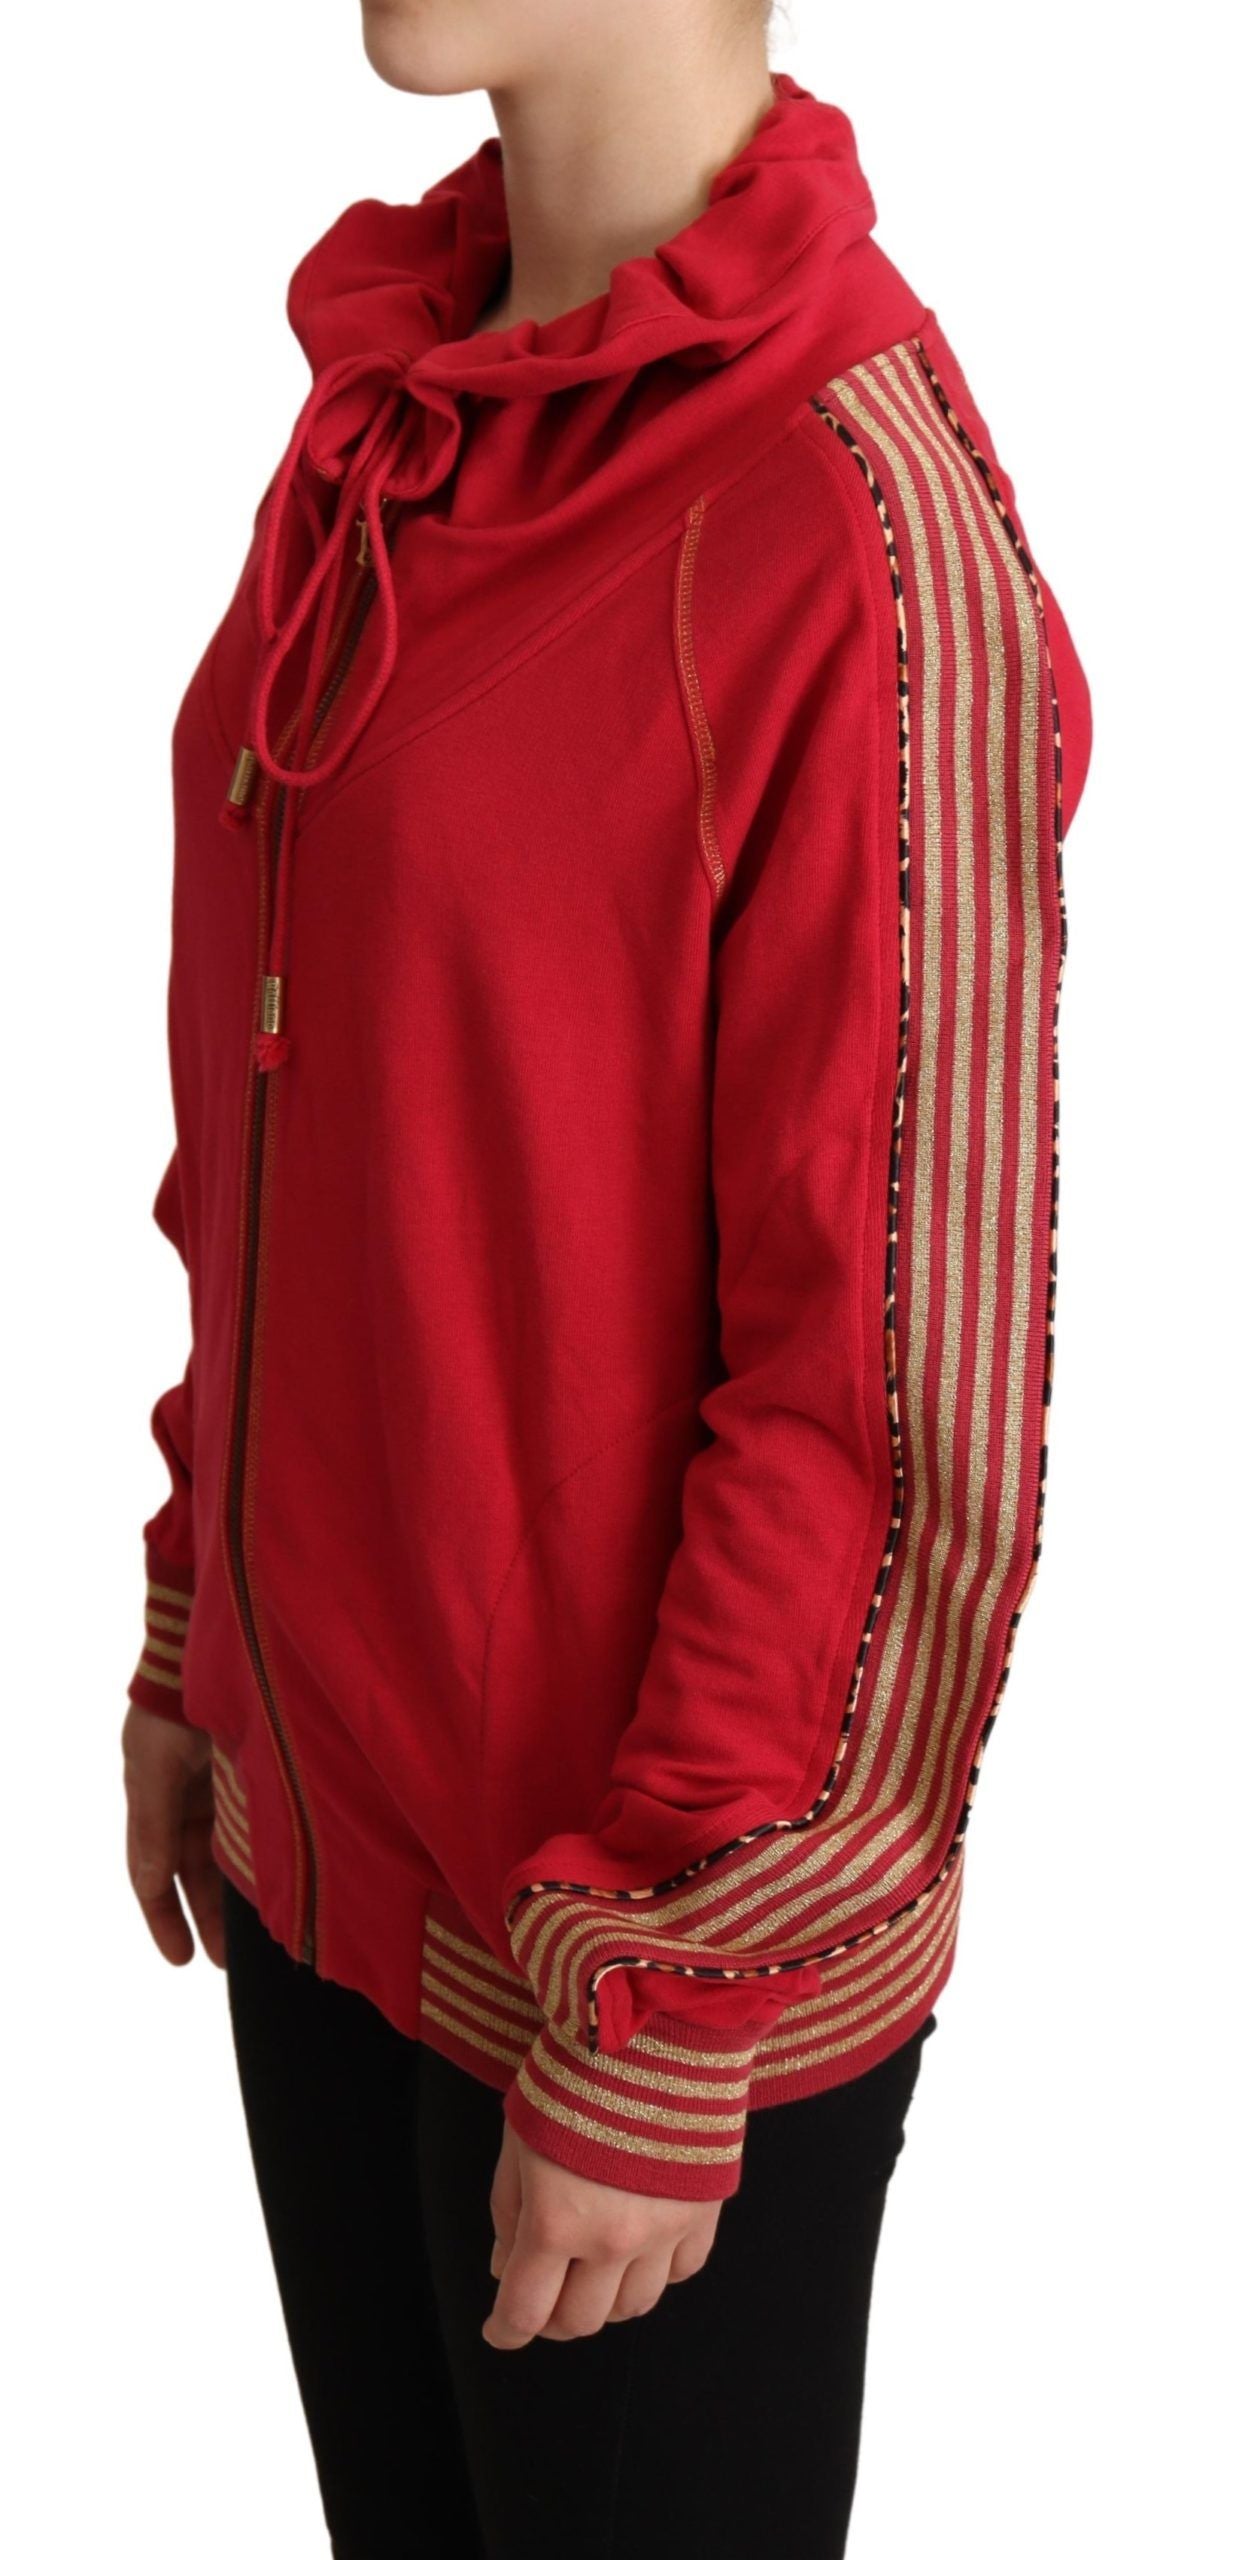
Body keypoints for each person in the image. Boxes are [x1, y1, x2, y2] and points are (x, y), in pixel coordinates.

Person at [121, 3, 1092, 2551]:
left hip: (631, 1979)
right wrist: (199, 1620)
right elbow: (297, 1090)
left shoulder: (847, 530)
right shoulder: (393, 419)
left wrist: (677, 1983)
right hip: (321, 1851)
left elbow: (887, 1393)